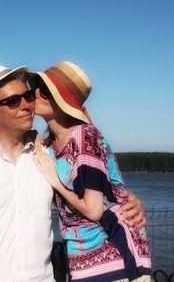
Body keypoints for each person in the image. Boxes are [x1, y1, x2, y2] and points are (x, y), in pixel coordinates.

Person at [0, 61, 146, 282]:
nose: (26, 105)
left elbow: (89, 188)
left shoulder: (45, 156)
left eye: (28, 95)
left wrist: (130, 201)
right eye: (13, 101)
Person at [31, 61, 151, 282]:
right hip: (82, 256)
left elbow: (94, 210)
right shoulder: (50, 147)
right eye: (35, 86)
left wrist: (56, 182)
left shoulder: (85, 136)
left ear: (62, 100)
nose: (35, 93)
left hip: (113, 254)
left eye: (45, 91)